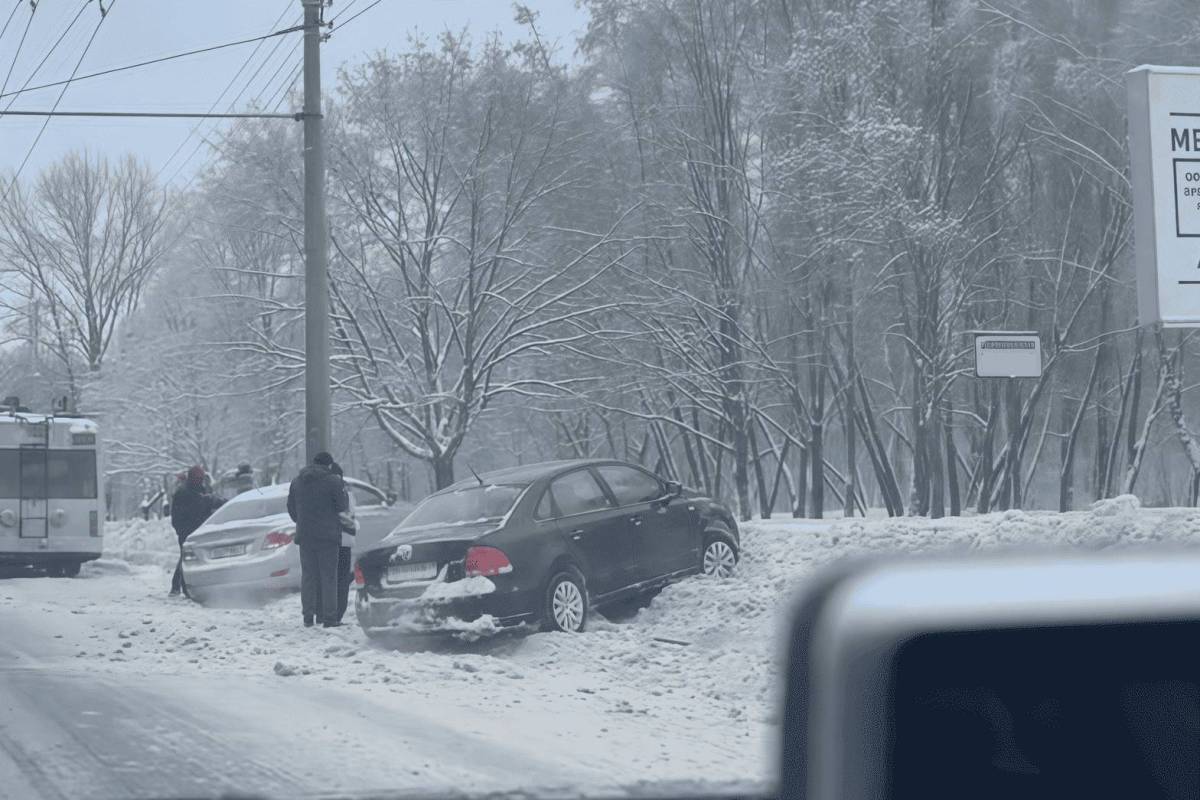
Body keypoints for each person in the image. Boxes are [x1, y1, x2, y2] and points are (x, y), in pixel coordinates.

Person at [287, 452, 348, 628]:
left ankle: (308, 616)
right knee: (329, 577)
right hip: (328, 537)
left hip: (305, 536)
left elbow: (291, 509)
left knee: (308, 577)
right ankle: (329, 618)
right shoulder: (333, 481)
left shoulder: (297, 482)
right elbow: (342, 506)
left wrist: (302, 522)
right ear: (329, 465)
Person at [169, 466, 223, 597]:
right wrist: (181, 530)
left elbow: (206, 502)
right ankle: (181, 587)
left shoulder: (198, 490)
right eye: (197, 477)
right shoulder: (184, 492)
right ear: (192, 477)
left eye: (201, 478)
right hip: (187, 530)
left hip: (198, 529)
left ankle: (179, 586)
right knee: (186, 558)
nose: (199, 480)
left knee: (187, 557)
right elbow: (198, 505)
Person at [330, 462, 358, 624]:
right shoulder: (345, 490)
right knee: (340, 578)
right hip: (343, 540)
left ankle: (336, 613)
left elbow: (347, 515)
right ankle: (336, 612)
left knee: (338, 578)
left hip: (339, 540)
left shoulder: (342, 491)